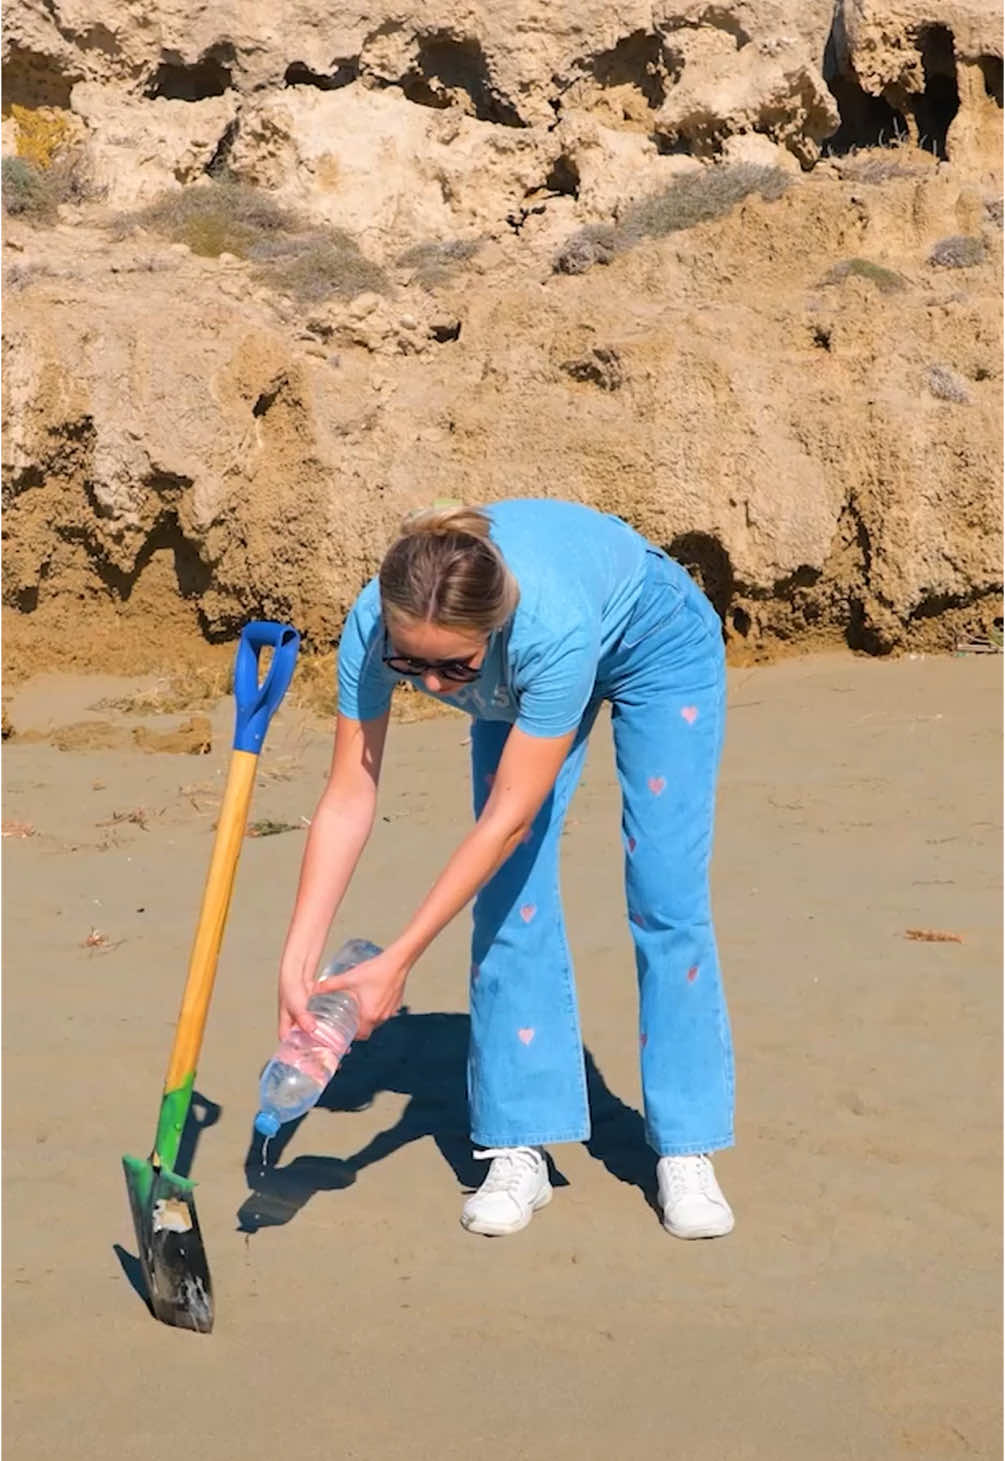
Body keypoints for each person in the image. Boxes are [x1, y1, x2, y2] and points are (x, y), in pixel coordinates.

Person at [277, 498, 735, 1239]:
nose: (428, 685)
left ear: (489, 631)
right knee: (509, 897)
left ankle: (685, 1144)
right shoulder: (373, 625)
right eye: (408, 663)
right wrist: (296, 958)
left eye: (449, 666)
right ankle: (516, 1144)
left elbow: (507, 819)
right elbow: (347, 796)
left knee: (664, 893)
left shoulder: (545, 628)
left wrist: (397, 960)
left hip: (655, 646)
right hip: (516, 674)